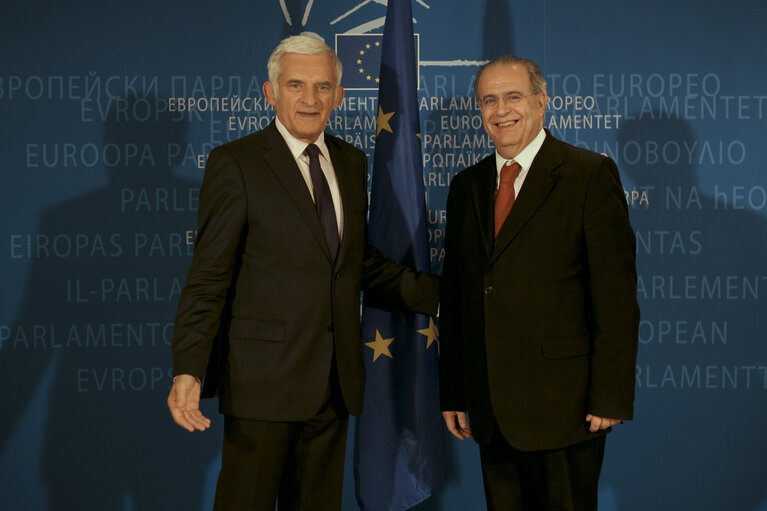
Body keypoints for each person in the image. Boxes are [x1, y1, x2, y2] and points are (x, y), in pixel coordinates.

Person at [166, 34, 438, 511]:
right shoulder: (237, 163)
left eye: (322, 86)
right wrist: (189, 367)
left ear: (339, 95)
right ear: (271, 93)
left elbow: (355, 265)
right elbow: (208, 278)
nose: (310, 99)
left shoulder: (352, 162)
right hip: (261, 388)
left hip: (334, 387)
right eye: (296, 85)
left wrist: (441, 295)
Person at [439, 55, 639, 510]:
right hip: (490, 409)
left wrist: (609, 395)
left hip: (565, 411)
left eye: (513, 96)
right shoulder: (464, 186)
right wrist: (453, 389)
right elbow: (456, 297)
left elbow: (616, 298)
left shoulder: (588, 174)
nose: (501, 109)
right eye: (489, 100)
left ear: (542, 102)